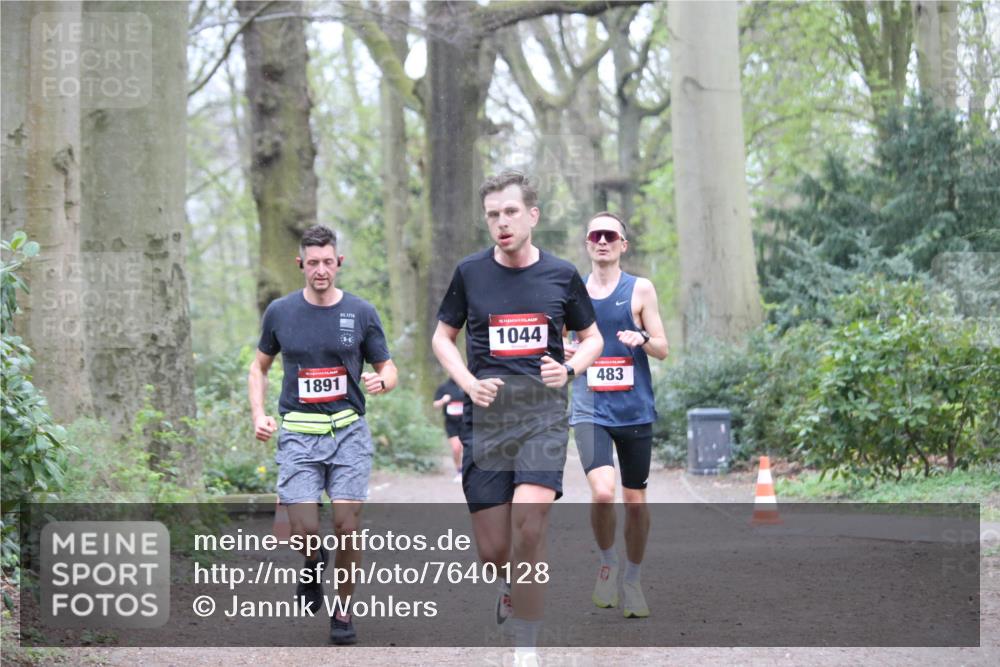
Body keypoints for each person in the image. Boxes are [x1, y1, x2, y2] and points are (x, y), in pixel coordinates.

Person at [432, 170, 603, 666]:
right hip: (486, 421)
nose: (501, 223)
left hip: (542, 417)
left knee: (530, 524)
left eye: (510, 212)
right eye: (493, 215)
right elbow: (442, 337)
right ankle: (508, 585)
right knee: (493, 551)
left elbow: (592, 338)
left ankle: (526, 647)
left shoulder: (561, 275)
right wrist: (468, 383)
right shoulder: (470, 273)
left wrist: (569, 369)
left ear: (532, 215)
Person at [248, 224, 397, 645]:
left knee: (348, 526)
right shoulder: (280, 312)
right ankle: (313, 562)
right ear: (300, 264)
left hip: (348, 432)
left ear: (339, 263)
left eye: (327, 262)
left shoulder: (361, 312)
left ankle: (343, 610)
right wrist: (259, 414)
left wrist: (383, 381)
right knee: (304, 530)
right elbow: (258, 367)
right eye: (312, 263)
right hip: (298, 435)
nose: (320, 270)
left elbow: (388, 367)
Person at [565, 211, 669, 619]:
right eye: (596, 236)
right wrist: (565, 351)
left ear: (623, 244)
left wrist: (641, 338)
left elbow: (662, 348)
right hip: (590, 407)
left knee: (636, 501)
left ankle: (633, 579)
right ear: (587, 244)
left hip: (634, 409)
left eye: (610, 235)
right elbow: (556, 344)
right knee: (604, 492)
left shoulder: (640, 289)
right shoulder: (572, 291)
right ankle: (608, 563)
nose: (603, 241)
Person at [433, 378, 467, 482]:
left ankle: (467, 471)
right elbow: (435, 405)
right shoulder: (444, 387)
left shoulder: (466, 384)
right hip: (451, 423)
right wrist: (443, 400)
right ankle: (459, 471)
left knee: (467, 448)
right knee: (456, 448)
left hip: (466, 422)